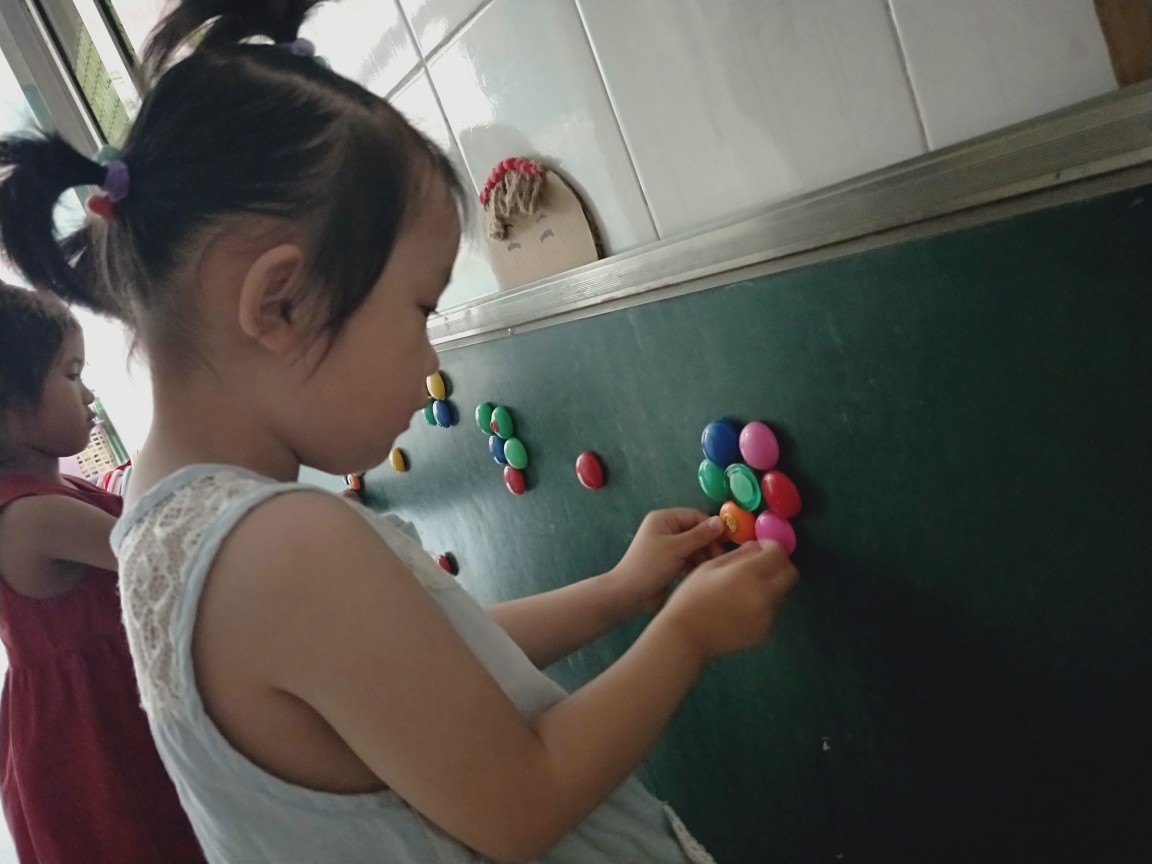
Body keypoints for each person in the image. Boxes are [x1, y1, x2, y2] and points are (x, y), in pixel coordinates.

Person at [0, 2, 799, 860]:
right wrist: (688, 633)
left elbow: (430, 682)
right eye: (420, 308)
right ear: (282, 303)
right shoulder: (281, 545)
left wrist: (620, 590)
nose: (429, 357)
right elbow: (522, 800)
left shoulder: (158, 518)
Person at [0, 283, 203, 863]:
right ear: (8, 405)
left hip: (103, 704)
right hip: (96, 730)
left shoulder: (56, 489)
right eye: (71, 375)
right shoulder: (33, 516)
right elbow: (171, 557)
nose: (89, 395)